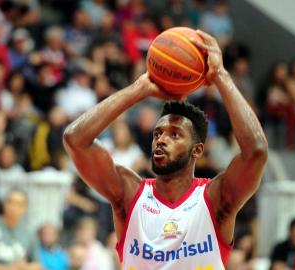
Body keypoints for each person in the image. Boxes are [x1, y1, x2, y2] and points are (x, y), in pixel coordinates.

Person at [63, 30, 268, 269]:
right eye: (158, 133)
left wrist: (221, 75)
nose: (161, 140)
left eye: (175, 135)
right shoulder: (129, 194)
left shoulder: (215, 199)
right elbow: (74, 139)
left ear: (197, 150)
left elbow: (256, 152)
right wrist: (137, 90)